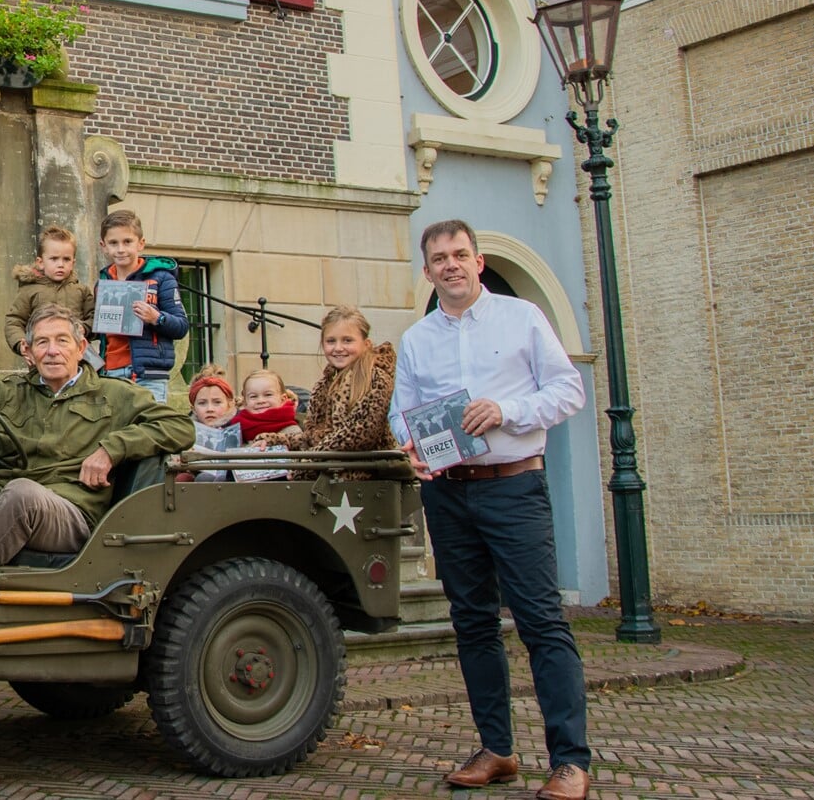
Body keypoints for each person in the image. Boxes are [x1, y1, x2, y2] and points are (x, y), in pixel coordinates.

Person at [390, 220, 590, 800]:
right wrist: (410, 448)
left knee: (541, 621)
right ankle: (498, 750)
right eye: (438, 259)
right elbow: (403, 413)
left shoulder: (522, 317)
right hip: (447, 493)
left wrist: (505, 411)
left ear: (478, 262)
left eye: (460, 254)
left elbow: (568, 391)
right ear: (426, 271)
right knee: (473, 623)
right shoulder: (417, 339)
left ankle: (570, 761)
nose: (450, 265)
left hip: (513, 487)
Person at [0, 304, 193, 571]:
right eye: (42, 343)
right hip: (4, 497)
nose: (52, 352)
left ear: (81, 348)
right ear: (28, 351)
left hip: (69, 511)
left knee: (22, 493)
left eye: (62, 341)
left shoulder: (115, 394)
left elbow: (180, 426)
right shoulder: (10, 391)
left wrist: (112, 449)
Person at [278, 306, 396, 480]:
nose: (338, 348)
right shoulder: (325, 383)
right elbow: (316, 435)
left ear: (366, 344)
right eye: (331, 341)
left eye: (347, 340)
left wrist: (308, 463)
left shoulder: (376, 379)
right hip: (330, 474)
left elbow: (358, 434)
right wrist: (279, 442)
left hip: (368, 480)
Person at [93, 210, 189, 401]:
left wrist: (156, 318)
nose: (120, 249)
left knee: (149, 429)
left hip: (149, 374)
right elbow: (99, 329)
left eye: (127, 242)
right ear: (103, 246)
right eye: (113, 243)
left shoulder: (161, 278)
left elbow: (181, 326)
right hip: (111, 372)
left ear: (141, 243)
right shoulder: (103, 282)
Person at [5, 225, 95, 357]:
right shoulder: (29, 291)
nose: (60, 264)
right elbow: (14, 321)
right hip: (42, 356)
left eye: (66, 259)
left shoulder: (81, 291)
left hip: (76, 357)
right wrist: (21, 343)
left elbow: (94, 317)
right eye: (54, 259)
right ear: (41, 262)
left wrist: (85, 328)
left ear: (73, 263)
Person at [234, 368, 301, 445]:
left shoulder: (291, 430)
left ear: (283, 399)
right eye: (253, 396)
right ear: (245, 403)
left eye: (268, 395)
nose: (261, 400)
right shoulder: (236, 429)